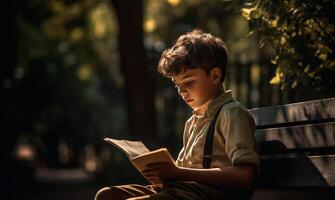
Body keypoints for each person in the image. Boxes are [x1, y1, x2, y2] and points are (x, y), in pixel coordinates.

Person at [94, 29, 259, 200]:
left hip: (207, 194)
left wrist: (178, 172)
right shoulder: (192, 121)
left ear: (215, 75)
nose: (181, 91)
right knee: (107, 195)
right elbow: (180, 174)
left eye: (188, 81)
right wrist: (163, 175)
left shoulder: (232, 113)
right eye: (177, 84)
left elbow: (244, 175)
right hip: (181, 191)